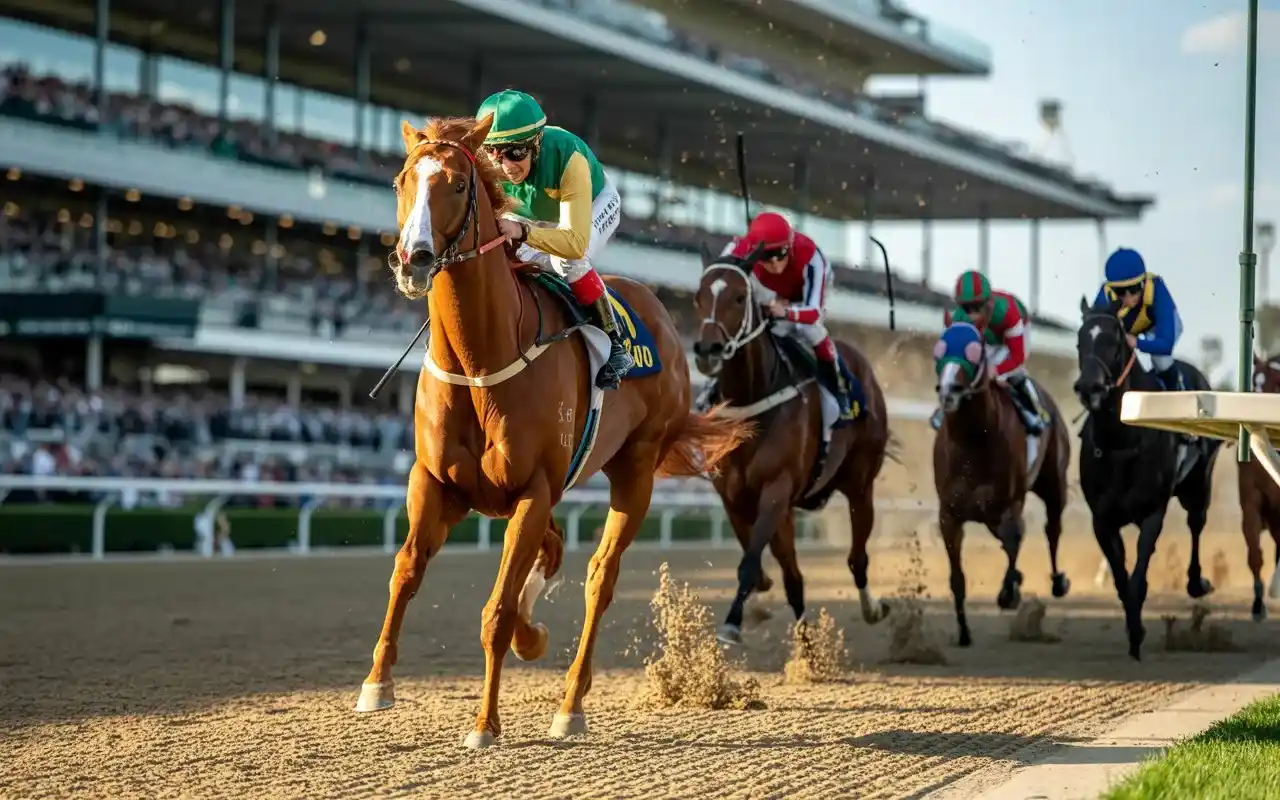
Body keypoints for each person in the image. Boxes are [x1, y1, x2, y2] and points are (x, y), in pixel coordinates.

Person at [476, 89, 634, 389]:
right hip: (535, 216)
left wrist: (523, 233)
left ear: (536, 143)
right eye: (494, 153)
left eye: (516, 153)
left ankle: (615, 343)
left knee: (568, 259)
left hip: (593, 205)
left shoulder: (567, 156)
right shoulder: (487, 168)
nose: (505, 166)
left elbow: (573, 241)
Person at [705, 211, 856, 424]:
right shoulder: (736, 249)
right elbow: (718, 283)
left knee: (810, 331)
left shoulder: (811, 257)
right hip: (767, 294)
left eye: (781, 253)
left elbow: (814, 312)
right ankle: (711, 388)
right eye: (766, 256)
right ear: (754, 251)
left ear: (790, 245)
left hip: (803, 297)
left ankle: (837, 387)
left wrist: (785, 312)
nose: (775, 263)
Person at [931, 270, 1048, 434]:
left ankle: (1035, 412)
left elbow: (1018, 356)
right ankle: (944, 409)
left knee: (1010, 375)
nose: (971, 314)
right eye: (966, 307)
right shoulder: (960, 318)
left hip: (1012, 335)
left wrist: (997, 370)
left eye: (976, 306)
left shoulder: (1008, 313)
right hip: (987, 337)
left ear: (988, 303)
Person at [1093, 247, 1184, 391]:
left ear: (1143, 282)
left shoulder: (1157, 290)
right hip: (1129, 329)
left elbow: (1166, 344)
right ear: (1111, 288)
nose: (1129, 297)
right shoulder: (1104, 297)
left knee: (1161, 360)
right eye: (1121, 292)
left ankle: (1178, 392)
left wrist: (1137, 343)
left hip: (1159, 327)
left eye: (1134, 289)